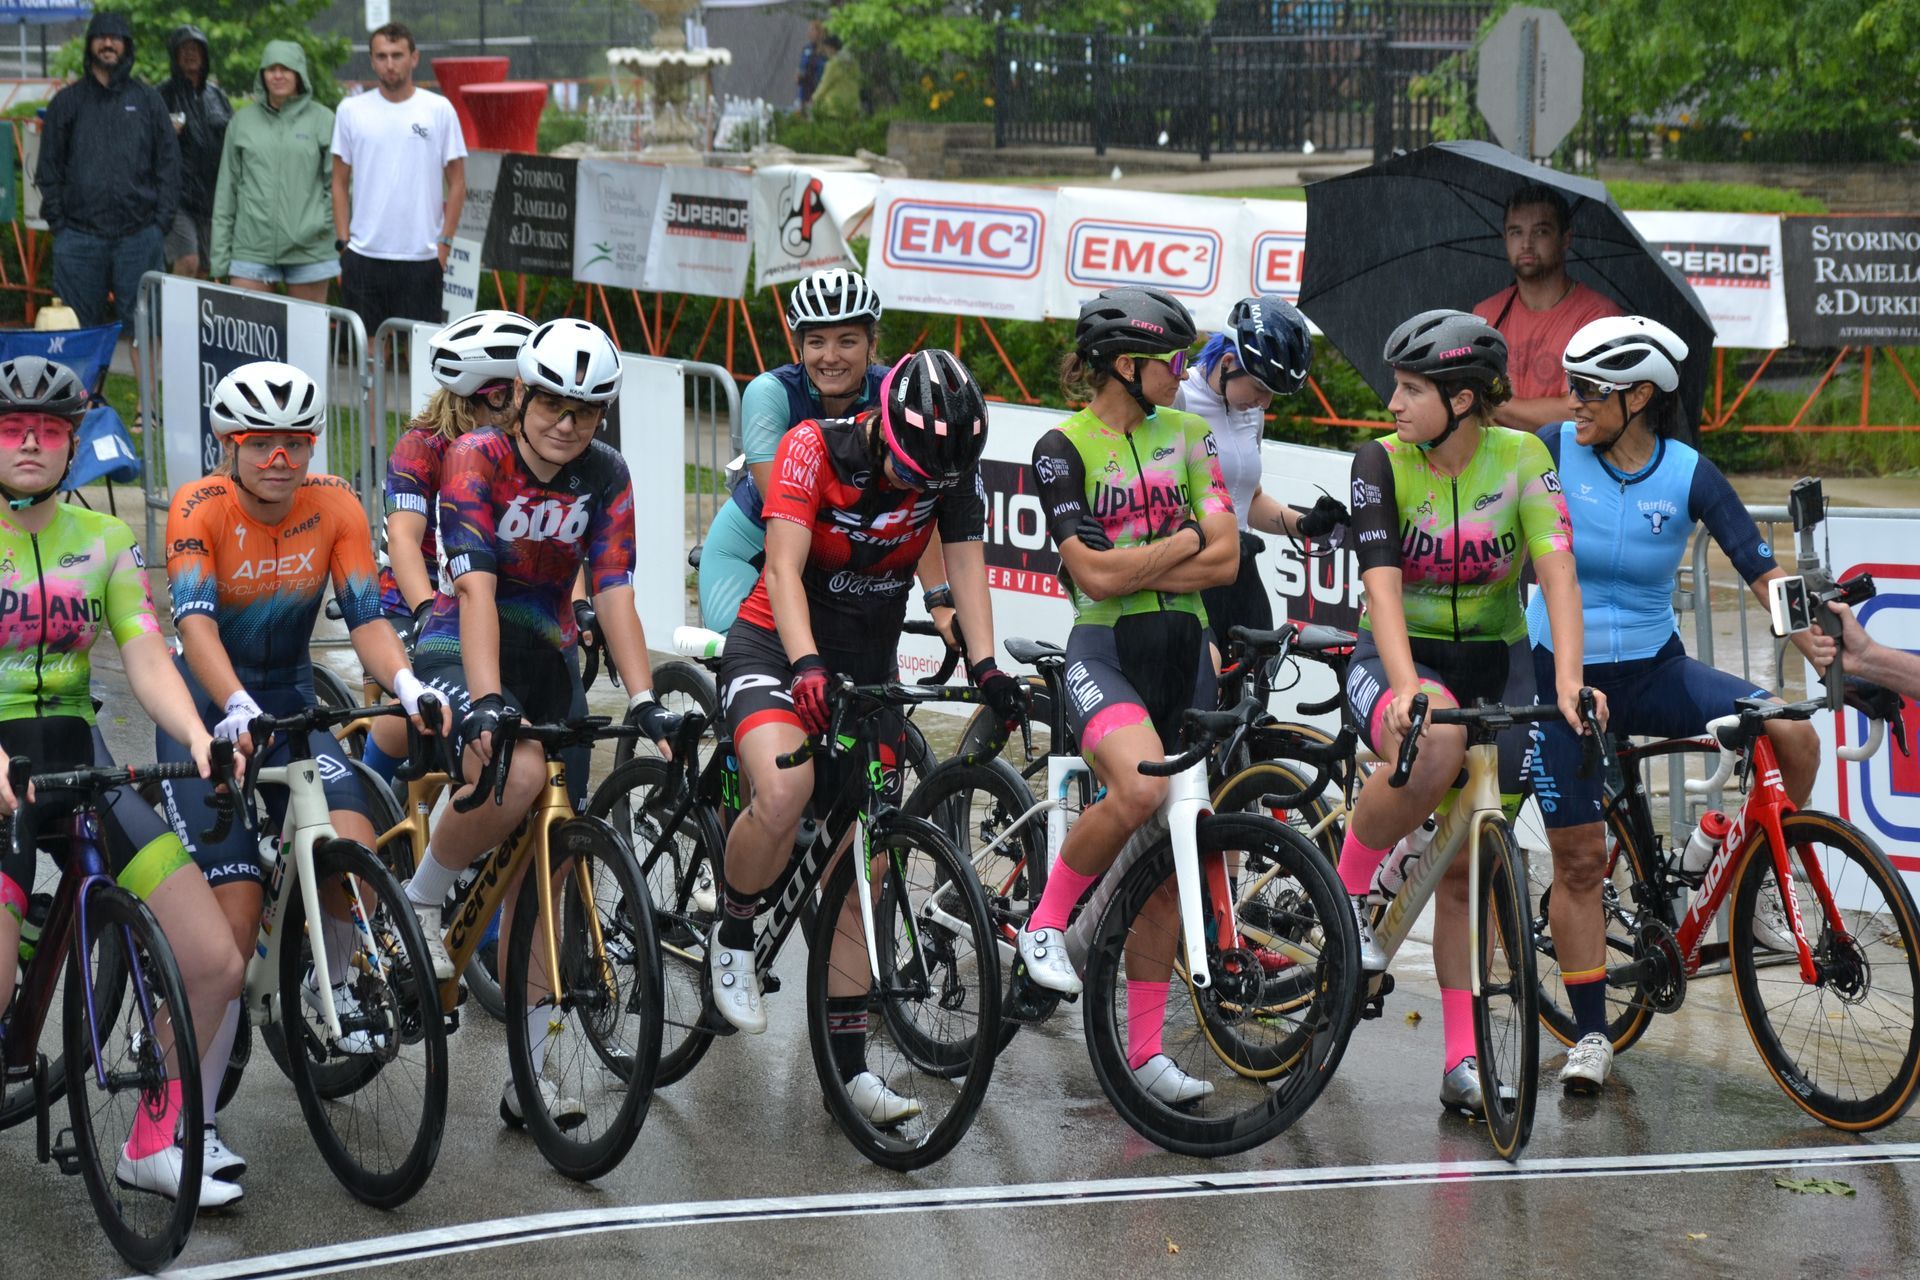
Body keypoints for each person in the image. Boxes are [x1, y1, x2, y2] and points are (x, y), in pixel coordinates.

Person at [709, 348, 1021, 1123]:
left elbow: (968, 570)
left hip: (865, 669)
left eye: (935, 483)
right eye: (912, 473)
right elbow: (782, 569)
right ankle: (734, 929)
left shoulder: (948, 472)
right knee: (785, 789)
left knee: (863, 868)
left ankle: (850, 1074)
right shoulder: (816, 446)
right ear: (882, 428)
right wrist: (807, 660)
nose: (922, 490)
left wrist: (987, 667)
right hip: (778, 646)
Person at [1526, 314, 1834, 1094]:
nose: (1574, 402)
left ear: (1639, 397)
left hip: (1653, 670)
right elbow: (1499, 417)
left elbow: (1762, 573)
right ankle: (1593, 1032)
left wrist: (1824, 649)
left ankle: (1737, 863)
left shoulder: (1689, 472)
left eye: (1590, 390)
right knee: (1582, 861)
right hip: (1561, 677)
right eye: (1572, 387)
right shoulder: (1555, 450)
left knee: (1792, 736)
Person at [157, 360, 440, 1169]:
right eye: (261, 442)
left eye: (296, 441)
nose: (281, 457)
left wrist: (407, 679)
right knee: (236, 918)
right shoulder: (197, 508)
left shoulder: (336, 505)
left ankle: (332, 981)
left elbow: (366, 619)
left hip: (290, 706)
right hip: (210, 714)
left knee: (352, 846)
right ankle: (194, 1126)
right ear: (228, 443)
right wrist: (233, 704)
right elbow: (197, 628)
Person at [396, 318, 666, 1128]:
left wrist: (646, 699)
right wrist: (483, 699)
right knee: (510, 772)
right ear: (520, 395)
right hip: (461, 640)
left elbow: (614, 591)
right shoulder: (478, 456)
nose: (567, 422)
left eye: (586, 410)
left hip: (549, 654)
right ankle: (424, 894)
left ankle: (533, 1074)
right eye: (553, 402)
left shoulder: (607, 474)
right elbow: (474, 586)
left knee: (549, 875)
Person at [0, 357, 243, 1207]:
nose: (30, 441)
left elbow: (144, 649)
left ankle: (152, 1140)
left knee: (214, 960)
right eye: (11, 428)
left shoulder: (104, 541)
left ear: (72, 446)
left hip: (77, 750)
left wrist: (193, 732)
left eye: (49, 430)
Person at [1337, 309, 1590, 1115]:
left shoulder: (1524, 459)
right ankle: (1343, 890)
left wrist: (1570, 682)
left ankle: (1460, 1062)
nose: (1393, 402)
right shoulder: (1380, 461)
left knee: (1467, 876)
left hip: (1498, 664)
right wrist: (1407, 684)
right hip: (1395, 655)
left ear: (1466, 398)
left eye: (1412, 389)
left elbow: (1556, 573)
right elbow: (1380, 581)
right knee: (1435, 740)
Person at [1017, 287, 1240, 1106]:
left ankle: (1144, 1053)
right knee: (1140, 787)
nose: (1184, 374)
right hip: (1105, 649)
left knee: (1172, 859)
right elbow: (1092, 576)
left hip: (1185, 652)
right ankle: (1044, 926)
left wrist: (1148, 554)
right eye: (1171, 361)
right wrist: (1184, 540)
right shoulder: (1060, 445)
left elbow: (1227, 563)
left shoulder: (1191, 435)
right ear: (1123, 364)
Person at [361, 309, 536, 781]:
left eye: (527, 392)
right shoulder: (422, 447)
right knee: (420, 707)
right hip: (409, 600)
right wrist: (424, 612)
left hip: (485, 601)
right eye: (507, 396)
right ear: (469, 400)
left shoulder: (524, 450)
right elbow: (403, 538)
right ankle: (365, 790)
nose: (522, 408)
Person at [698, 268, 890, 633]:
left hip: (842, 558)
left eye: (847, 341)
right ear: (799, 347)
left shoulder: (892, 392)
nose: (830, 357)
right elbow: (781, 509)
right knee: (751, 667)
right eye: (816, 342)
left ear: (872, 345)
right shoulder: (771, 393)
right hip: (751, 549)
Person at [1175, 293, 1347, 649]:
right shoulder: (1179, 399)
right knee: (1201, 696)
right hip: (1189, 574)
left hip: (1242, 574)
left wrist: (1303, 524)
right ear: (1227, 363)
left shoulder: (1250, 411)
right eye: (1260, 388)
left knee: (1254, 696)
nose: (1265, 403)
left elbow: (1247, 500)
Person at [35, 12, 180, 330]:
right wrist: (61, 225)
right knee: (76, 334)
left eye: (116, 38)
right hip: (78, 239)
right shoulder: (67, 102)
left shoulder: (148, 101)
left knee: (148, 331)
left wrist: (160, 224)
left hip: (140, 236)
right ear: (90, 45)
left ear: (127, 47)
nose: (108, 43)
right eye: (101, 37)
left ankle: (148, 384)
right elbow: (48, 168)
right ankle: (84, 385)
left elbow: (169, 164)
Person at [330, 22, 466, 335]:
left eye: (397, 55)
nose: (390, 64)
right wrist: (344, 247)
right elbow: (338, 181)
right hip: (363, 256)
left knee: (423, 360)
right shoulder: (351, 110)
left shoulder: (439, 109)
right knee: (370, 358)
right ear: (372, 60)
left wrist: (443, 246)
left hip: (422, 257)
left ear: (414, 58)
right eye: (381, 56)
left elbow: (458, 183)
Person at [1472, 183, 1622, 431]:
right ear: (1505, 238)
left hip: (1565, 463)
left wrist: (1491, 403)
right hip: (1495, 464)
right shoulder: (1486, 315)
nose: (1527, 243)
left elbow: (1581, 409)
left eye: (1540, 232)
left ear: (1565, 239)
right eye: (1516, 232)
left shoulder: (1599, 318)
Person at [210, 41, 339, 303]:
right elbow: (227, 191)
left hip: (310, 250)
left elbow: (338, 185)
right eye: (271, 69)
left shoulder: (324, 120)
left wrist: (321, 225)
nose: (278, 75)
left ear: (299, 73)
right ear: (262, 75)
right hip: (251, 250)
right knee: (249, 341)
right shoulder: (242, 122)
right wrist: (219, 259)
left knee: (306, 340)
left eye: (286, 68)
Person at [158, 25, 231, 280]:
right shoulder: (162, 95)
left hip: (211, 196)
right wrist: (165, 134)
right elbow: (147, 144)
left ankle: (195, 317)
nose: (191, 54)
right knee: (188, 260)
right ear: (175, 56)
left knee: (205, 267)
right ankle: (175, 316)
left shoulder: (217, 96)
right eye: (184, 49)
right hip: (178, 197)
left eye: (196, 48)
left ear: (205, 54)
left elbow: (231, 140)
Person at [808, 33, 861, 122]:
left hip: (834, 108)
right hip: (852, 106)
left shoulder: (833, 64)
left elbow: (824, 84)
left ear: (831, 48)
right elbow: (858, 80)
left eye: (825, 48)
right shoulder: (854, 63)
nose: (824, 51)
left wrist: (813, 98)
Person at [795, 20, 830, 111]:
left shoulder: (826, 51)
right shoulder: (807, 49)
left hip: (818, 91)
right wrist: (799, 74)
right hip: (805, 91)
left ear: (819, 33)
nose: (809, 33)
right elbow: (802, 66)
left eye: (812, 30)